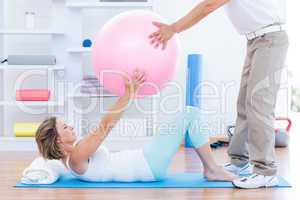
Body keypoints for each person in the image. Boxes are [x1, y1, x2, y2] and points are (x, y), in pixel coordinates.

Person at [149, 0, 288, 189]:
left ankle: (266, 172)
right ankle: (240, 162)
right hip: (256, 40)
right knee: (244, 105)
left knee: (259, 105)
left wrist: (173, 28)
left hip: (270, 39)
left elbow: (208, 6)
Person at [35, 70, 236, 183]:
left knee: (187, 116)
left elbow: (47, 161)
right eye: (64, 127)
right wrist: (129, 93)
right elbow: (106, 125)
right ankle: (212, 169)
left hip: (145, 160)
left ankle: (212, 168)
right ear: (59, 139)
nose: (70, 126)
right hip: (147, 164)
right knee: (190, 112)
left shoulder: (68, 160)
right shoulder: (76, 156)